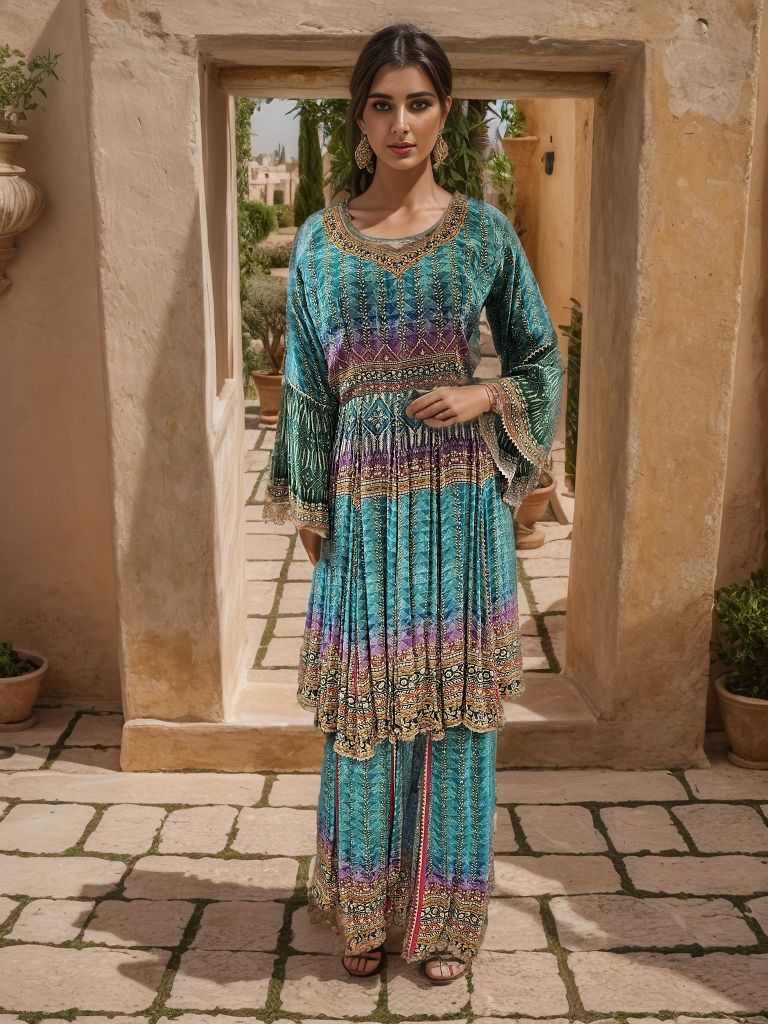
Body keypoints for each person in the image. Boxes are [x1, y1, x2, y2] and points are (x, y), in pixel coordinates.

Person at [263, 23, 565, 984]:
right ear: (359, 116)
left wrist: (485, 396)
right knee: (366, 703)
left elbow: (540, 355)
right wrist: (312, 508)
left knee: (455, 712)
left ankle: (444, 920)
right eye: (383, 104)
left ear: (445, 112)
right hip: (362, 503)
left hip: (458, 505)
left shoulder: (482, 233)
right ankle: (363, 906)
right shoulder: (320, 242)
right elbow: (305, 387)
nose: (402, 123)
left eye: (420, 103)